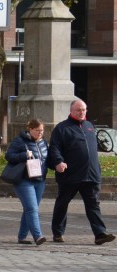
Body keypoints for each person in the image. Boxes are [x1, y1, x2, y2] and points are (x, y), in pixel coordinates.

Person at [48, 99, 117, 245]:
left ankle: (100, 234)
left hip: (90, 175)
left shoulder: (89, 126)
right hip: (70, 175)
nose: (82, 112)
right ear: (71, 111)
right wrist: (58, 162)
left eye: (84, 110)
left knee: (93, 205)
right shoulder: (62, 128)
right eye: (78, 110)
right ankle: (58, 232)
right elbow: (54, 148)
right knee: (62, 203)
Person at [6, 118, 49, 245]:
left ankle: (22, 236)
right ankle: (38, 236)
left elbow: (48, 159)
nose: (40, 133)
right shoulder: (20, 141)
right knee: (32, 208)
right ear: (30, 129)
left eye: (42, 131)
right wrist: (23, 155)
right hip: (24, 180)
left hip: (39, 180)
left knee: (29, 209)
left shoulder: (44, 143)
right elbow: (9, 155)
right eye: (37, 130)